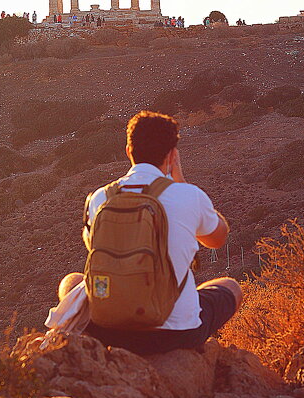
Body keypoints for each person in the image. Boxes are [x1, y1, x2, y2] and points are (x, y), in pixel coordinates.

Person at [57, 111, 242, 355]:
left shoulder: (99, 198)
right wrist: (182, 183)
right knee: (231, 287)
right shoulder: (188, 195)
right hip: (174, 333)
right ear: (172, 155)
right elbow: (217, 239)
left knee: (72, 281)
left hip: (108, 329)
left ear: (128, 151)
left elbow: (96, 251)